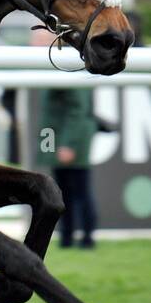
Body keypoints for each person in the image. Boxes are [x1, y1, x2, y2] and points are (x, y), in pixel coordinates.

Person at [32, 27, 100, 249]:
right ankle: (67, 238)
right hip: (63, 141)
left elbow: (77, 110)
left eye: (38, 41)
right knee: (64, 194)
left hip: (72, 141)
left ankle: (87, 239)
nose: (33, 46)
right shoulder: (57, 64)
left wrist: (68, 144)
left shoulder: (65, 65)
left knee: (79, 192)